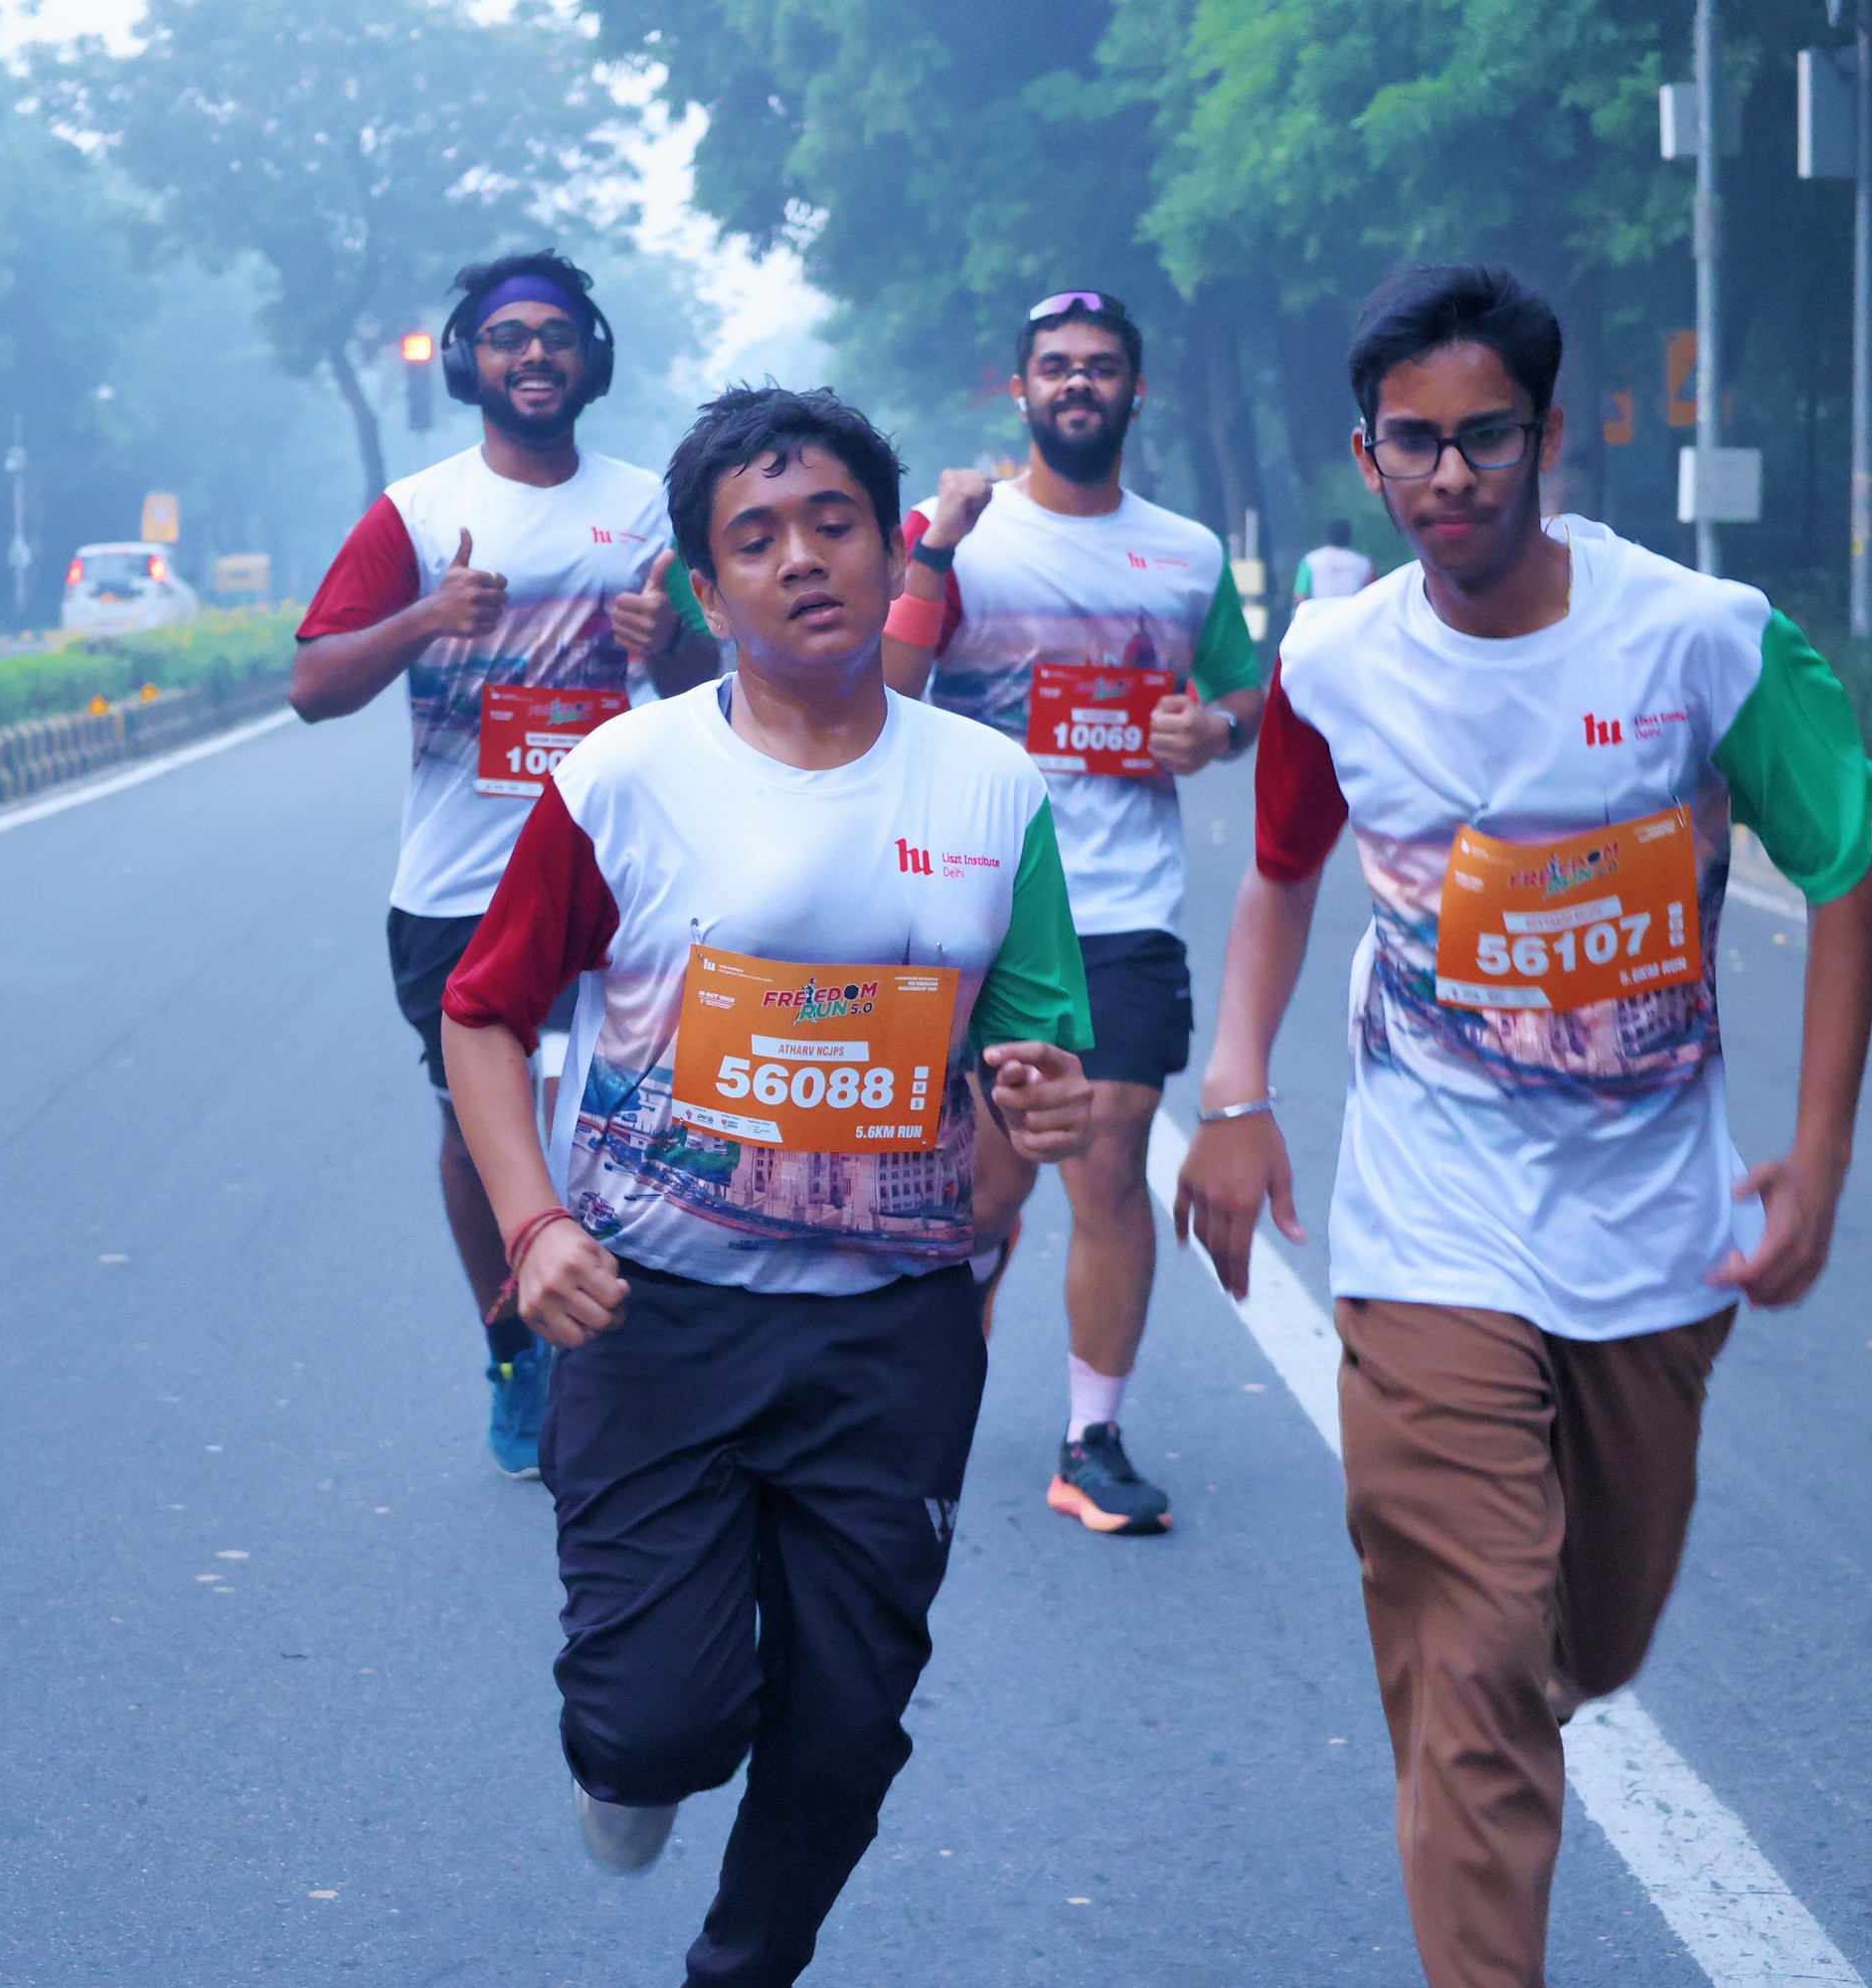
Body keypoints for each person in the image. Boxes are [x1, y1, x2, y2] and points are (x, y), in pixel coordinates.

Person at [1173, 264, 1872, 1988]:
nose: (1450, 476)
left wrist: (1820, 1155)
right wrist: (1237, 1091)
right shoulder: (1337, 660)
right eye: (1412, 443)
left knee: (1588, 1637)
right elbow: (1279, 872)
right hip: (1431, 1223)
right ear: (1367, 455)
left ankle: (1489, 1688)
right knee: (1482, 1651)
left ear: (1549, 437)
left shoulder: (1698, 638)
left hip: (1653, 1230)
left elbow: (1844, 872)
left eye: (1485, 437)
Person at [439, 386, 1095, 1985]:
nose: (802, 558)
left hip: (893, 1332)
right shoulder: (625, 776)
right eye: (756, 538)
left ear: (891, 551)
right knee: (657, 1726)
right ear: (706, 588)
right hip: (656, 1317)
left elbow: (1037, 1060)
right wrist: (533, 1225)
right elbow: (484, 1013)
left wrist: (1038, 1115)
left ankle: (741, 1971)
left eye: (832, 523)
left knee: (848, 1724)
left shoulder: (993, 790)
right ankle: (634, 1755)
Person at [291, 249, 715, 1477]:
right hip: (459, 887)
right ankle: (516, 1349)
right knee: (481, 1121)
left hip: (624, 876)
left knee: (628, 1110)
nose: (535, 353)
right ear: (469, 362)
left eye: (557, 334)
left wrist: (668, 639)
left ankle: (629, 1344)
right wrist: (429, 616)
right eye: (508, 335)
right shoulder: (417, 515)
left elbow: (723, 687)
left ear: (592, 358)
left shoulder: (653, 509)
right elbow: (313, 684)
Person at [881, 288, 1263, 1537]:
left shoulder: (1187, 551)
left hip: (1124, 907)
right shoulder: (961, 534)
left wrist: (1214, 731)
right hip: (979, 901)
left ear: (1135, 391)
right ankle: (929, 1377)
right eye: (1056, 366)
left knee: (1107, 1157)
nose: (1078, 383)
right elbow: (885, 686)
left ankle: (1090, 1439)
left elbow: (1244, 691)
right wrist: (934, 550)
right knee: (987, 1191)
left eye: (1101, 365)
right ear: (1022, 391)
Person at [1294, 518, 1377, 602]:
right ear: (1349, 536)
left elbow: (1300, 596)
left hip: (1322, 610)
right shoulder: (1364, 562)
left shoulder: (1310, 560)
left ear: (1328, 536)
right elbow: (1374, 594)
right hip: (1354, 610)